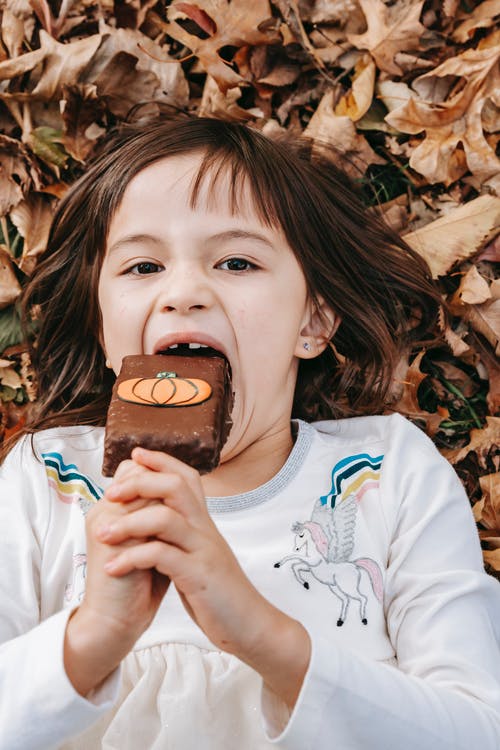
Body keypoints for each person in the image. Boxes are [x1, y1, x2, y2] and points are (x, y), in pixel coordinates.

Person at [0, 116, 499, 750]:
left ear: (312, 322)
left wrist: (264, 635)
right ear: (104, 333)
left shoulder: (387, 471)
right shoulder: (49, 479)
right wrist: (91, 636)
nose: (184, 292)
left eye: (236, 261)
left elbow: (478, 730)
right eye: (143, 265)